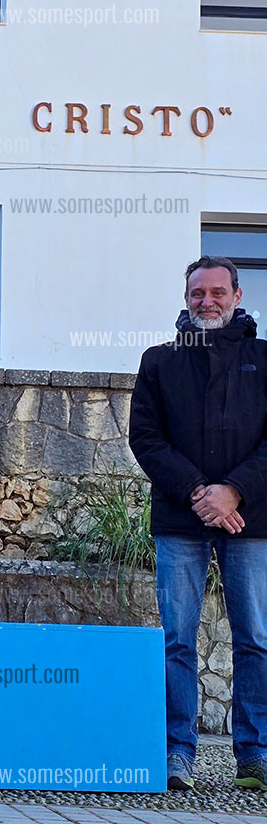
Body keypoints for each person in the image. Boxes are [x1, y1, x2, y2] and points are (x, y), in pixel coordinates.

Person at [129, 254, 267, 793]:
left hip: (251, 519)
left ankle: (255, 756)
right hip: (179, 519)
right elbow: (146, 438)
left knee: (255, 638)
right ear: (186, 298)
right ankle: (177, 752)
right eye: (197, 293)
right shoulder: (159, 361)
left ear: (237, 296)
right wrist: (198, 492)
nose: (206, 301)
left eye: (217, 292)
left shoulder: (264, 358)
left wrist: (233, 491)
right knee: (177, 640)